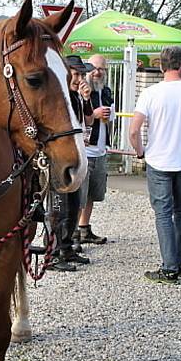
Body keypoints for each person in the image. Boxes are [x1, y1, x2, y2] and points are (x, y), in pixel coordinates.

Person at [129, 46, 181, 284]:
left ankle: (169, 268)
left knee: (163, 214)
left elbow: (133, 131)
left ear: (162, 66)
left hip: (159, 161)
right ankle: (179, 259)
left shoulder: (150, 93)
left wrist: (140, 152)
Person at [47, 56, 94, 272]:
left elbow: (89, 120)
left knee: (74, 205)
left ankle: (66, 247)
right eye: (76, 74)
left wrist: (86, 99)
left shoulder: (74, 97)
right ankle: (53, 253)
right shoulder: (56, 99)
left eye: (81, 75)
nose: (79, 79)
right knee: (57, 207)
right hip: (58, 160)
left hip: (75, 156)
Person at [75, 54, 114, 245]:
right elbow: (75, 119)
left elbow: (111, 115)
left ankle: (84, 228)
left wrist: (107, 114)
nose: (98, 72)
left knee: (92, 194)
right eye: (95, 68)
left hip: (100, 150)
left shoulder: (105, 91)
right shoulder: (79, 92)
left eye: (102, 69)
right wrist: (94, 113)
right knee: (78, 196)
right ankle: (71, 235)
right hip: (84, 150)